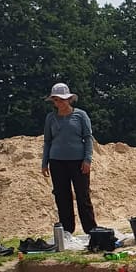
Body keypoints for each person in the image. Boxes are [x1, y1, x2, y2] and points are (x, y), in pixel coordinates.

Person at [42, 82, 97, 236]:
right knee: (62, 196)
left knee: (82, 195)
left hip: (78, 162)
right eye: (55, 100)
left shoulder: (80, 115)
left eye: (60, 99)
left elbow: (88, 138)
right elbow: (47, 141)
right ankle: (67, 230)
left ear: (69, 99)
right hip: (57, 161)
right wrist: (44, 162)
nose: (58, 103)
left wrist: (87, 159)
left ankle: (91, 229)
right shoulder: (51, 118)